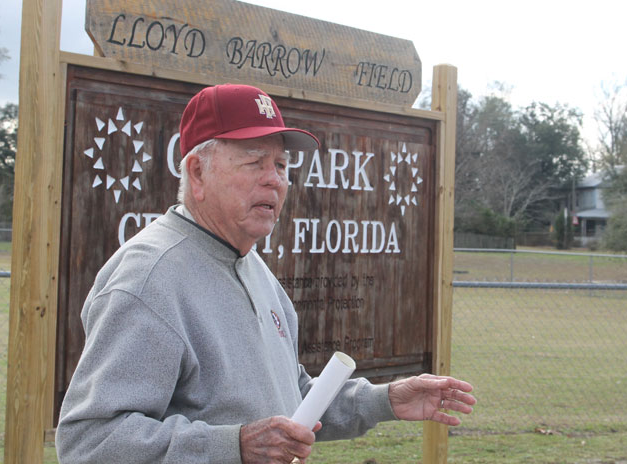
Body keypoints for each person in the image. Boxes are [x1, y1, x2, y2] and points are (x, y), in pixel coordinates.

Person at [56, 84, 476, 463]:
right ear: (197, 173)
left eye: (281, 165)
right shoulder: (150, 278)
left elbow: (292, 403)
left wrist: (386, 401)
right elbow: (89, 441)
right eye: (254, 161)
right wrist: (234, 446)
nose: (274, 180)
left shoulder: (250, 265)